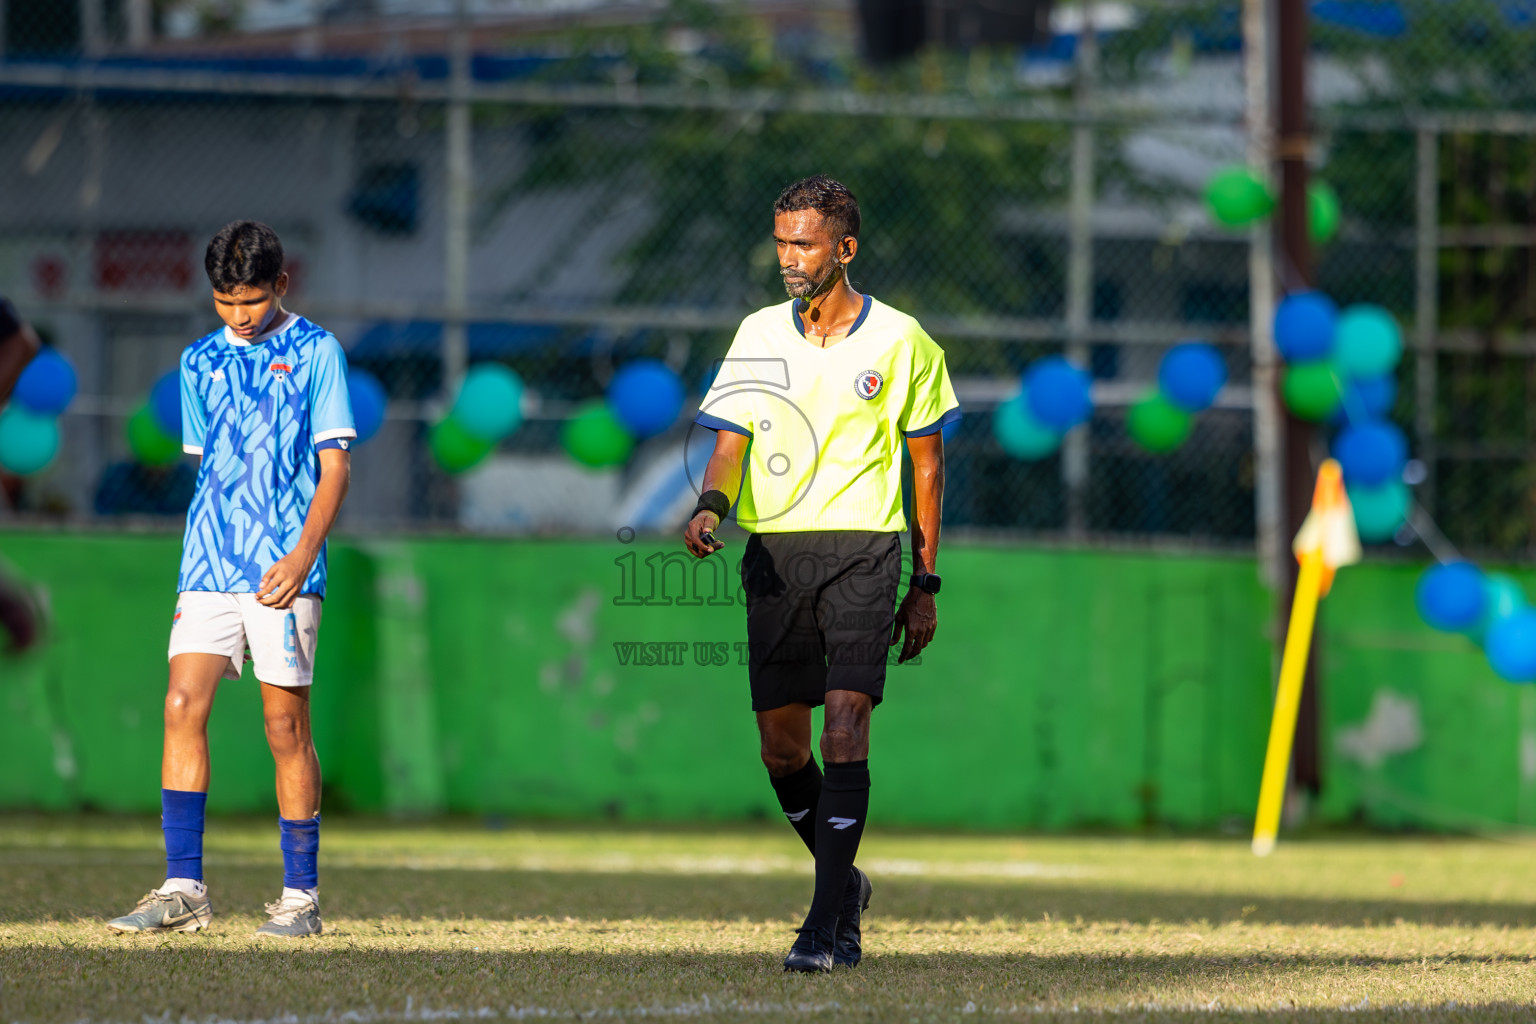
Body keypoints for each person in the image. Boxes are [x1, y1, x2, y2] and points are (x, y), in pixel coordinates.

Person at [683, 176, 957, 973]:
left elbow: (928, 469)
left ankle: (820, 928)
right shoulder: (757, 333)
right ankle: (847, 887)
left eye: (803, 244)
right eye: (780, 242)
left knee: (845, 726)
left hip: (867, 549)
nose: (788, 259)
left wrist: (925, 584)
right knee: (781, 749)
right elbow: (730, 442)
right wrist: (711, 506)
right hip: (774, 554)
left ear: (844, 247)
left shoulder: (904, 340)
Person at [107, 221, 355, 939]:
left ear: (281, 285)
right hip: (208, 563)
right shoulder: (197, 361)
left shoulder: (317, 352)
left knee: (285, 725)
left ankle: (300, 899)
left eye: (249, 299)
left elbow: (334, 468)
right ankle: (184, 888)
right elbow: (211, 463)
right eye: (224, 301)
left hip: (285, 565)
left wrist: (304, 553)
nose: (237, 314)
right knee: (182, 702)